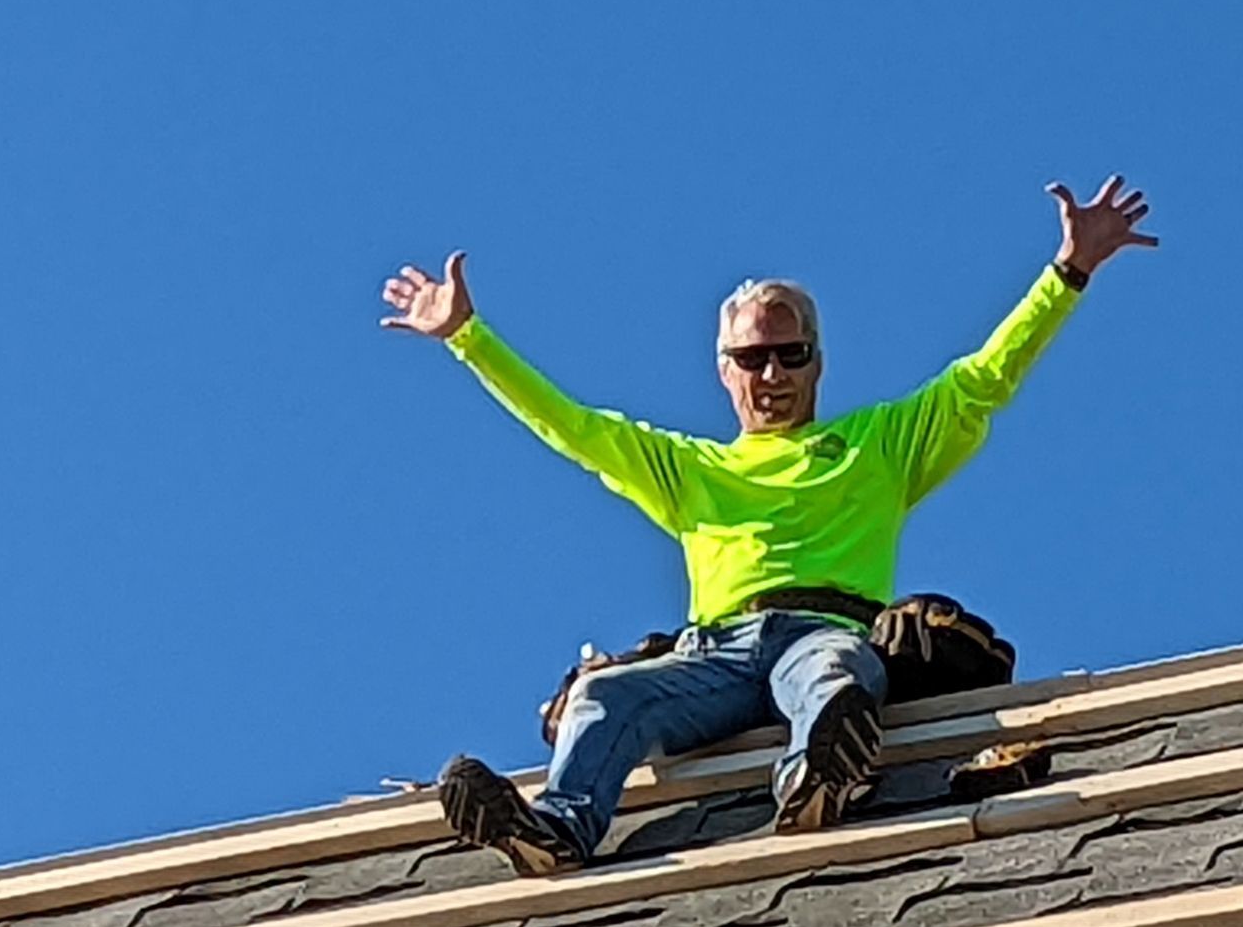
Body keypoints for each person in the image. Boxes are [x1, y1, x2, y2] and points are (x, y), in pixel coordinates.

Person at [380, 177, 1156, 875]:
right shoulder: (689, 469)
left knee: (835, 681)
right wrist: (466, 338)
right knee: (603, 699)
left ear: (818, 362)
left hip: (825, 627)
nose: (773, 375)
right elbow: (572, 427)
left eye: (791, 356)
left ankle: (814, 784)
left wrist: (1069, 273)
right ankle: (555, 830)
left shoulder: (877, 444)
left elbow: (983, 380)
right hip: (712, 653)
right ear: (725, 369)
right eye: (753, 360)